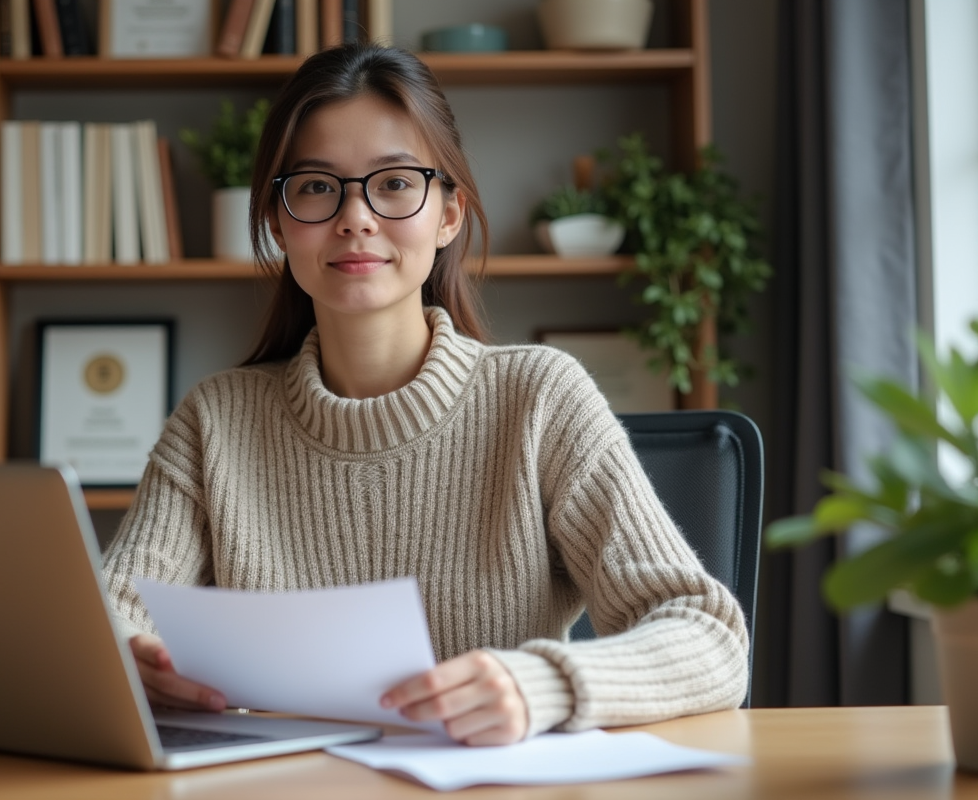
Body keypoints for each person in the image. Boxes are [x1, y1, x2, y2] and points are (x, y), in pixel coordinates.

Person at [101, 43, 749, 747]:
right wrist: (127, 659)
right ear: (278, 221)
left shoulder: (539, 399)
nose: (355, 217)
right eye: (317, 186)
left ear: (448, 215)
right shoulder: (214, 420)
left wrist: (546, 685)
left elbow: (708, 639)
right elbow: (108, 610)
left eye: (395, 182)